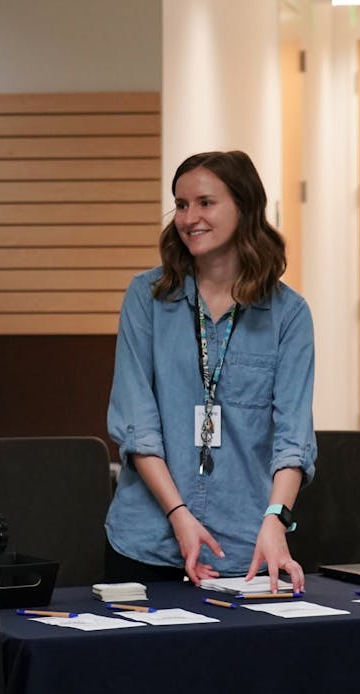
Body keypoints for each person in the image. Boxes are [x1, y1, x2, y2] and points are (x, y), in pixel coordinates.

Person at [104, 150, 316, 593]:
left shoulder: (289, 314)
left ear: (245, 207)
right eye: (181, 205)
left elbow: (293, 437)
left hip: (245, 548)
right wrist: (179, 515)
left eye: (205, 203)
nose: (189, 218)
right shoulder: (147, 298)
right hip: (149, 543)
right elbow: (138, 426)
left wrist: (276, 521)